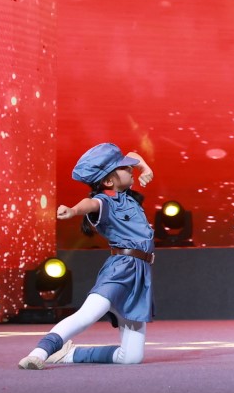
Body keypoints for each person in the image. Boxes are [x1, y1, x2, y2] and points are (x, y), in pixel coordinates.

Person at [19, 143, 157, 369]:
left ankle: (69, 354)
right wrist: (73, 210)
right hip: (121, 269)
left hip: (140, 275)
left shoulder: (125, 196)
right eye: (125, 168)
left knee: (131, 357)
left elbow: (132, 155)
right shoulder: (106, 200)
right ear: (109, 181)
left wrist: (146, 168)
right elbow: (90, 203)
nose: (131, 169)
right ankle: (39, 353)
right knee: (86, 316)